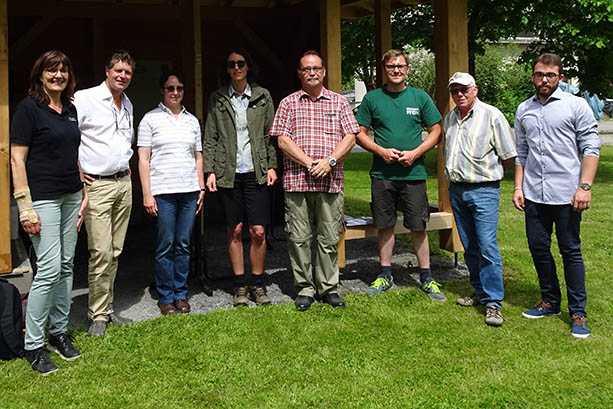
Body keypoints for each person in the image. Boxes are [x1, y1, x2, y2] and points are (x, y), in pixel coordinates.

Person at [513, 53, 600, 339]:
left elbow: (591, 148)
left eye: (550, 75)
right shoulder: (524, 109)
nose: (544, 80)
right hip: (534, 194)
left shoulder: (576, 106)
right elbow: (521, 153)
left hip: (566, 195)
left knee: (570, 251)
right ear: (532, 76)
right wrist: (518, 187)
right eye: (539, 74)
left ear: (559, 77)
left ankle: (578, 312)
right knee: (539, 248)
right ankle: (549, 301)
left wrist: (584, 187)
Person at [10, 51, 85, 374]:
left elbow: (73, 152)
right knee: (49, 268)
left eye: (63, 70)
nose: (58, 75)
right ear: (40, 75)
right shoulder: (29, 109)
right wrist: (24, 206)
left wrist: (83, 191)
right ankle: (34, 344)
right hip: (43, 199)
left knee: (67, 266)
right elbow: (16, 160)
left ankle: (59, 331)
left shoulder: (69, 109)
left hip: (71, 195)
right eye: (51, 70)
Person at [270, 50, 358, 311]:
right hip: (298, 181)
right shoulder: (288, 103)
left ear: (323, 72)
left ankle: (328, 287)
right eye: (306, 69)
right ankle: (305, 288)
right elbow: (282, 139)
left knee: (329, 237)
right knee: (298, 238)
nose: (311, 73)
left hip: (330, 181)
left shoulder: (339, 102)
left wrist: (329, 161)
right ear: (299, 73)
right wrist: (309, 162)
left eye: (316, 68)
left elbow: (351, 136)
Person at [355, 49, 444, 301]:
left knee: (418, 226)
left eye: (401, 66)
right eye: (391, 66)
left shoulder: (419, 97)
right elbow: (359, 132)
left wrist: (416, 153)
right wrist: (380, 151)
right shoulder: (372, 99)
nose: (396, 70)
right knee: (384, 225)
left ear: (407, 69)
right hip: (383, 174)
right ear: (384, 69)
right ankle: (385, 273)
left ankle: (426, 276)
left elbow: (436, 130)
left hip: (413, 174)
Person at [204, 49, 277, 307]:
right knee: (234, 230)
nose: (236, 68)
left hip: (256, 171)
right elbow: (210, 136)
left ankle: (257, 284)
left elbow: (271, 135)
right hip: (228, 172)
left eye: (241, 63)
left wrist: (271, 165)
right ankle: (240, 286)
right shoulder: (218, 98)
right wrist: (210, 170)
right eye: (231, 64)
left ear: (248, 67)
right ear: (227, 69)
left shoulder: (262, 96)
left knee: (258, 231)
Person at [443, 72, 517, 327]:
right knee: (470, 245)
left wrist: (489, 177)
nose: (459, 95)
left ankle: (494, 302)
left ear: (475, 89)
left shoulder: (492, 115)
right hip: (457, 189)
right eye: (455, 91)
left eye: (464, 89)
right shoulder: (450, 118)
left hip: (484, 189)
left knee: (486, 246)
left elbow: (508, 156)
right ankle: (479, 291)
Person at [74, 50, 135, 337]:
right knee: (100, 251)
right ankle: (97, 315)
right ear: (107, 71)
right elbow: (66, 134)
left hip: (123, 182)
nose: (122, 76)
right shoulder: (85, 99)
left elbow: (125, 142)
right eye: (118, 70)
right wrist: (76, 168)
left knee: (115, 251)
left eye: (127, 72)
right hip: (96, 185)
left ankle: (107, 308)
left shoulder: (128, 104)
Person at [138, 73, 205, 315]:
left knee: (184, 244)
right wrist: (147, 194)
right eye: (170, 88)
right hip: (163, 192)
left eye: (179, 88)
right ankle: (166, 296)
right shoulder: (149, 119)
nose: (175, 92)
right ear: (162, 91)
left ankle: (181, 293)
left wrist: (201, 187)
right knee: (165, 244)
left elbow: (198, 156)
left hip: (188, 191)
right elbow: (143, 159)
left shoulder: (192, 121)